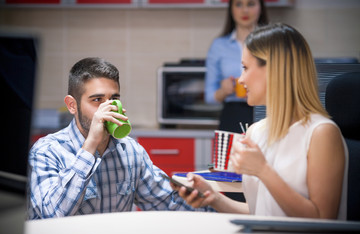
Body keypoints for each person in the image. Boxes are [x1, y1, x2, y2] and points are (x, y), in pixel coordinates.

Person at [172, 23, 348, 219]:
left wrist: (263, 170)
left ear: (274, 70)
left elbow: (322, 219)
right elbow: (260, 211)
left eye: (245, 68)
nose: (240, 80)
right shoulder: (255, 132)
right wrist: (213, 197)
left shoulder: (321, 133)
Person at [27, 57, 213, 219]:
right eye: (97, 100)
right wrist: (90, 145)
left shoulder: (130, 151)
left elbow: (167, 202)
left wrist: (216, 210)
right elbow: (52, 216)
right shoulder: (46, 151)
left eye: (114, 99)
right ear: (72, 105)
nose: (108, 109)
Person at [205, 0, 268, 133]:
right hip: (233, 115)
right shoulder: (218, 46)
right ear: (231, 9)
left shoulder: (271, 43)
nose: (245, 10)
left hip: (266, 112)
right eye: (239, 4)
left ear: (260, 7)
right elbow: (209, 96)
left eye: (251, 4)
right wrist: (223, 91)